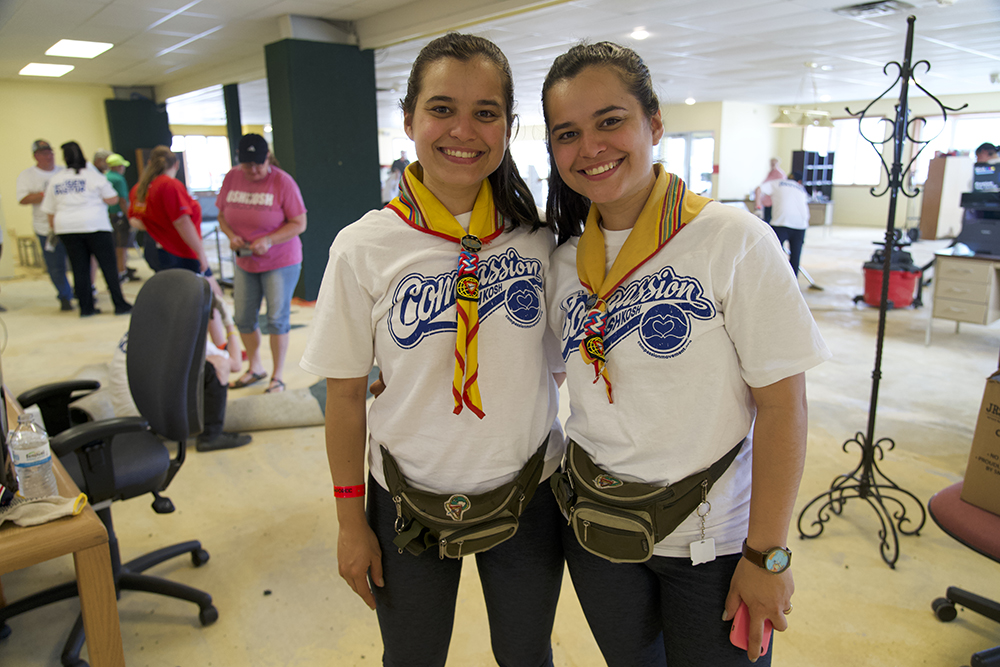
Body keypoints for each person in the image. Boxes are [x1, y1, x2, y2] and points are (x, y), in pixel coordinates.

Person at [541, 42, 831, 666]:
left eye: (610, 121)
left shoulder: (733, 240)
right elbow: (537, 366)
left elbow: (784, 408)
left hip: (717, 546)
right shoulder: (565, 262)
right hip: (598, 535)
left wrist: (767, 554)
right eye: (568, 133)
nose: (590, 146)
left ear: (655, 123)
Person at [300, 32, 565, 667]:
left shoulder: (541, 241)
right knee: (412, 656)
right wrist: (348, 522)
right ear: (410, 118)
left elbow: (564, 360)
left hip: (529, 490)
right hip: (404, 496)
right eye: (442, 108)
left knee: (527, 654)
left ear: (510, 125)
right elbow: (344, 397)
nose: (463, 131)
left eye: (486, 112)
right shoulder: (363, 246)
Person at [216, 134, 307, 394]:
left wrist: (269, 239)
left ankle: (277, 376)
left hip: (280, 260)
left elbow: (299, 223)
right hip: (245, 260)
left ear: (267, 157)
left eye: (258, 164)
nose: (253, 170)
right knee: (244, 318)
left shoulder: (282, 182)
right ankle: (255, 367)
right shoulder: (232, 177)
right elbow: (222, 215)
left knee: (277, 318)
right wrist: (231, 235)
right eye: (247, 165)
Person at [109, 291, 252, 451]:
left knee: (196, 366)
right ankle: (212, 436)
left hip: (128, 417)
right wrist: (228, 323)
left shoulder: (146, 325)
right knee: (218, 365)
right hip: (148, 421)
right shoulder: (185, 331)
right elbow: (235, 364)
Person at [40, 142, 132, 317]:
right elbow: (112, 199)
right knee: (108, 266)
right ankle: (119, 305)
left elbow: (49, 211)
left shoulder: (56, 179)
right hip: (95, 225)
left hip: (66, 228)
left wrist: (55, 228)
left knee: (79, 268)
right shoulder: (93, 176)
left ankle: (86, 307)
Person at [128, 146, 210, 274]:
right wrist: (200, 252)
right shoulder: (170, 185)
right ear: (176, 164)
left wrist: (156, 226)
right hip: (177, 250)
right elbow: (182, 222)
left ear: (149, 164)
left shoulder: (138, 189)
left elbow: (135, 221)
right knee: (187, 290)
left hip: (154, 248)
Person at [16, 140, 74, 311]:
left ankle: (84, 292)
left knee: (78, 261)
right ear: (36, 156)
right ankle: (65, 296)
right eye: (43, 153)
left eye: (50, 152)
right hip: (46, 229)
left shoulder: (64, 172)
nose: (48, 156)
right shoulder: (27, 175)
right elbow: (23, 199)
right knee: (56, 265)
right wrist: (46, 194)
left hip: (69, 225)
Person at [759, 171, 810, 277]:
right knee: (795, 256)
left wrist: (758, 207)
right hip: (800, 225)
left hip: (780, 223)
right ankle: (793, 284)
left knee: (774, 253)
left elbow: (758, 189)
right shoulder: (801, 189)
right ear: (799, 181)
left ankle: (773, 279)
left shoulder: (778, 183)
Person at [104, 153, 137, 282]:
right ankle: (122, 272)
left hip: (107, 216)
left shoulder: (104, 177)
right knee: (121, 246)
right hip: (119, 216)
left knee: (113, 245)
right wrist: (130, 217)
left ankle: (118, 269)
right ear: (118, 166)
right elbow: (123, 200)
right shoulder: (118, 179)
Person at [754, 157, 786, 223]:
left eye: (774, 163)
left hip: (773, 203)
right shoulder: (770, 173)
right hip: (766, 203)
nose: (772, 164)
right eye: (771, 163)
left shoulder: (780, 174)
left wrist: (758, 206)